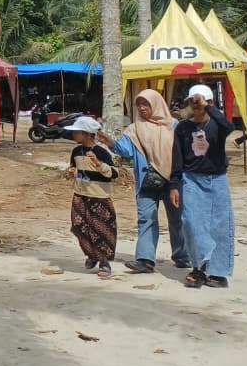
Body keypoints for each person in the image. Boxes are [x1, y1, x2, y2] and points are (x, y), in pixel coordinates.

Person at [99, 89, 185, 274]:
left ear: (156, 104)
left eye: (146, 104)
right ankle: (145, 260)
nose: (142, 108)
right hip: (146, 181)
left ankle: (182, 255)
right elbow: (126, 151)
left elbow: (182, 153)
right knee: (146, 220)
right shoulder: (134, 129)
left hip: (173, 182)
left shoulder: (174, 126)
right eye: (139, 105)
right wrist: (110, 142)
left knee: (177, 220)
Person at [171, 84, 236, 289]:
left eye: (200, 102)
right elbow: (177, 157)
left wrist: (208, 107)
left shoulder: (217, 124)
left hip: (217, 179)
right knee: (191, 222)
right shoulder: (183, 127)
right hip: (192, 179)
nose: (196, 105)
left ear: (210, 103)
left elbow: (228, 127)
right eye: (193, 101)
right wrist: (174, 184)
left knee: (220, 226)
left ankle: (217, 272)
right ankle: (198, 268)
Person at [64, 116, 119, 278]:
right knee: (79, 225)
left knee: (101, 229)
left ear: (87, 134)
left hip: (99, 196)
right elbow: (73, 169)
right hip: (80, 195)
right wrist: (70, 172)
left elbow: (113, 173)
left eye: (77, 132)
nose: (74, 135)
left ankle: (104, 262)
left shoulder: (101, 152)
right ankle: (91, 254)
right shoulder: (76, 151)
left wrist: (98, 164)